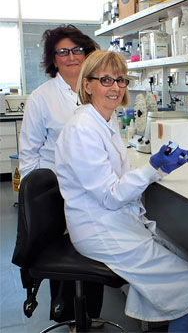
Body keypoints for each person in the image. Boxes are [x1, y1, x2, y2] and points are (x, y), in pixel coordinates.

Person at [55, 50, 188, 332]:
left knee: (183, 260)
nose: (116, 87)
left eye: (120, 80)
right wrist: (153, 168)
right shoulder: (83, 128)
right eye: (105, 80)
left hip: (113, 220)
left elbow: (114, 181)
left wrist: (158, 169)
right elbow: (110, 195)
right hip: (99, 229)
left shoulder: (105, 120)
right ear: (88, 85)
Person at [18, 24, 103, 331]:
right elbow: (28, 151)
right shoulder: (42, 98)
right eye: (62, 52)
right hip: (56, 189)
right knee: (64, 252)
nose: (71, 57)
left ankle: (90, 312)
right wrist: (34, 199)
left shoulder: (97, 89)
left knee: (92, 247)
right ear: (53, 59)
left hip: (92, 185)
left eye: (77, 50)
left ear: (87, 54)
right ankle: (67, 314)